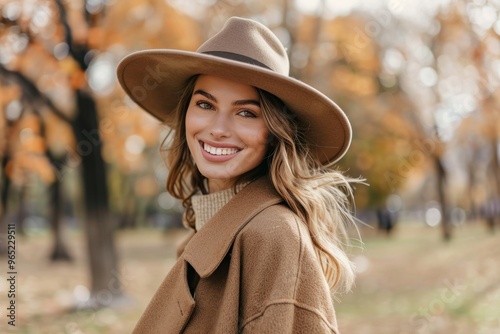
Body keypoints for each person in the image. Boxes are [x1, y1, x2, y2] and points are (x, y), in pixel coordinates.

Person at [117, 16, 360, 334]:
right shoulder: (205, 233)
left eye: (246, 112)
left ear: (274, 133)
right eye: (205, 104)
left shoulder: (274, 236)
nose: (218, 129)